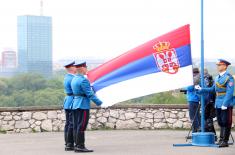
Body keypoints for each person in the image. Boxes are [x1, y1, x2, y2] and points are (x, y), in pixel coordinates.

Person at [196, 59, 234, 147]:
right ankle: (221, 140)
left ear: (225, 66)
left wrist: (225, 103)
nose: (218, 66)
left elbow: (229, 92)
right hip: (218, 102)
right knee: (220, 122)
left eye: (220, 65)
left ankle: (225, 141)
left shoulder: (229, 77)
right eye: (217, 65)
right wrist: (202, 89)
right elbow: (212, 89)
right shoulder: (217, 77)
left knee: (226, 122)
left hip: (225, 103)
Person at [71, 61, 103, 153]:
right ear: (82, 68)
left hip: (75, 104)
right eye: (86, 68)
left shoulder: (74, 79)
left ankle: (77, 145)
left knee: (77, 126)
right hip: (83, 105)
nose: (87, 70)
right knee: (82, 126)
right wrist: (99, 102)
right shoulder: (84, 80)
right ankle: (80, 146)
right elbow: (90, 94)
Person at [63, 60, 77, 151]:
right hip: (72, 101)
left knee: (68, 124)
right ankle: (70, 144)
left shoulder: (67, 77)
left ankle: (68, 142)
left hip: (68, 101)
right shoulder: (72, 78)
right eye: (75, 66)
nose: (76, 68)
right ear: (71, 67)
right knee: (71, 124)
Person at [186, 68, 201, 133]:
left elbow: (189, 88)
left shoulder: (194, 80)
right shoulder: (200, 79)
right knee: (197, 115)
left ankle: (196, 130)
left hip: (192, 100)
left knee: (193, 116)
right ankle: (197, 129)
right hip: (197, 100)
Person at [204, 69, 217, 140]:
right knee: (208, 119)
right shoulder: (212, 80)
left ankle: (213, 136)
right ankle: (213, 136)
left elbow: (210, 91)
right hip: (210, 102)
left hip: (209, 102)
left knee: (208, 119)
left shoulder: (208, 81)